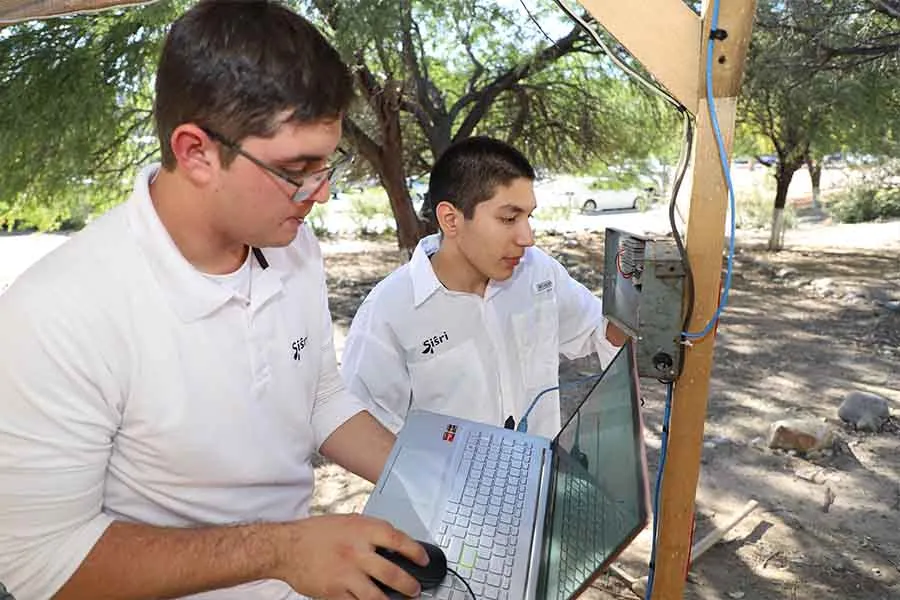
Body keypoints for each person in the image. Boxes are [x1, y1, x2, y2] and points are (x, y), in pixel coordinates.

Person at [0, 2, 430, 599]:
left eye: (326, 164)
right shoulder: (56, 313)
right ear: (196, 152)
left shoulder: (293, 245)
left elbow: (318, 396)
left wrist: (429, 477)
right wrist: (280, 549)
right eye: (296, 169)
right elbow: (42, 563)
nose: (322, 193)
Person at [341, 137, 627, 440]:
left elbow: (597, 331)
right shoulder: (389, 311)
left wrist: (635, 300)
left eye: (528, 217)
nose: (526, 238)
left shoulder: (537, 272)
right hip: (443, 487)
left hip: (538, 479)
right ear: (451, 220)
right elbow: (363, 429)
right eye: (508, 218)